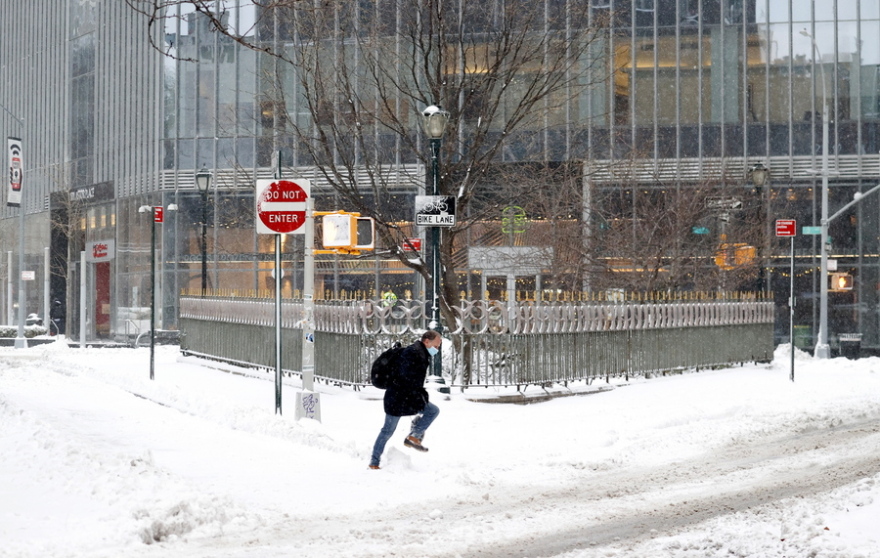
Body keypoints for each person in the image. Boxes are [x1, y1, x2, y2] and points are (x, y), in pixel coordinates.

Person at [369, 330, 442, 470]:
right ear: (427, 341)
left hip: (409, 397)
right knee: (387, 431)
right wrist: (416, 391)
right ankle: (374, 462)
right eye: (436, 346)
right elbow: (405, 375)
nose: (437, 349)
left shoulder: (421, 353)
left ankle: (414, 436)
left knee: (432, 411)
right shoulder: (412, 353)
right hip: (397, 398)